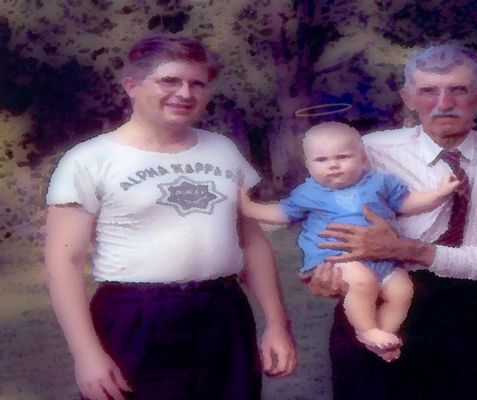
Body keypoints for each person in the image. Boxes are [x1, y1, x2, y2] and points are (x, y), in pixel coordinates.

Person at [44, 34, 296, 400]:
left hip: (223, 313)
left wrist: (276, 324)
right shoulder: (89, 160)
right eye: (169, 80)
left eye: (198, 83)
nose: (185, 93)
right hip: (136, 319)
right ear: (131, 85)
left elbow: (251, 241)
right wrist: (86, 354)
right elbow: (62, 262)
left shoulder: (223, 151)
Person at [306, 44, 477, 399]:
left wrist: (413, 250)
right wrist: (327, 274)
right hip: (379, 305)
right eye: (428, 91)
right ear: (408, 98)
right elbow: (327, 217)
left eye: (458, 89)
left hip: (468, 308)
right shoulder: (370, 152)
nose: (443, 103)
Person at [239, 121, 460, 358]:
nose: (333, 165)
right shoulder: (310, 193)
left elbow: (408, 203)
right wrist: (248, 206)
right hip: (335, 257)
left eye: (342, 157)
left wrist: (438, 194)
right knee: (362, 282)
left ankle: (384, 336)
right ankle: (366, 330)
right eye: (321, 160)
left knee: (403, 291)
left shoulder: (379, 182)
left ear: (362, 159)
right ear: (309, 165)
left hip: (383, 258)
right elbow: (280, 213)